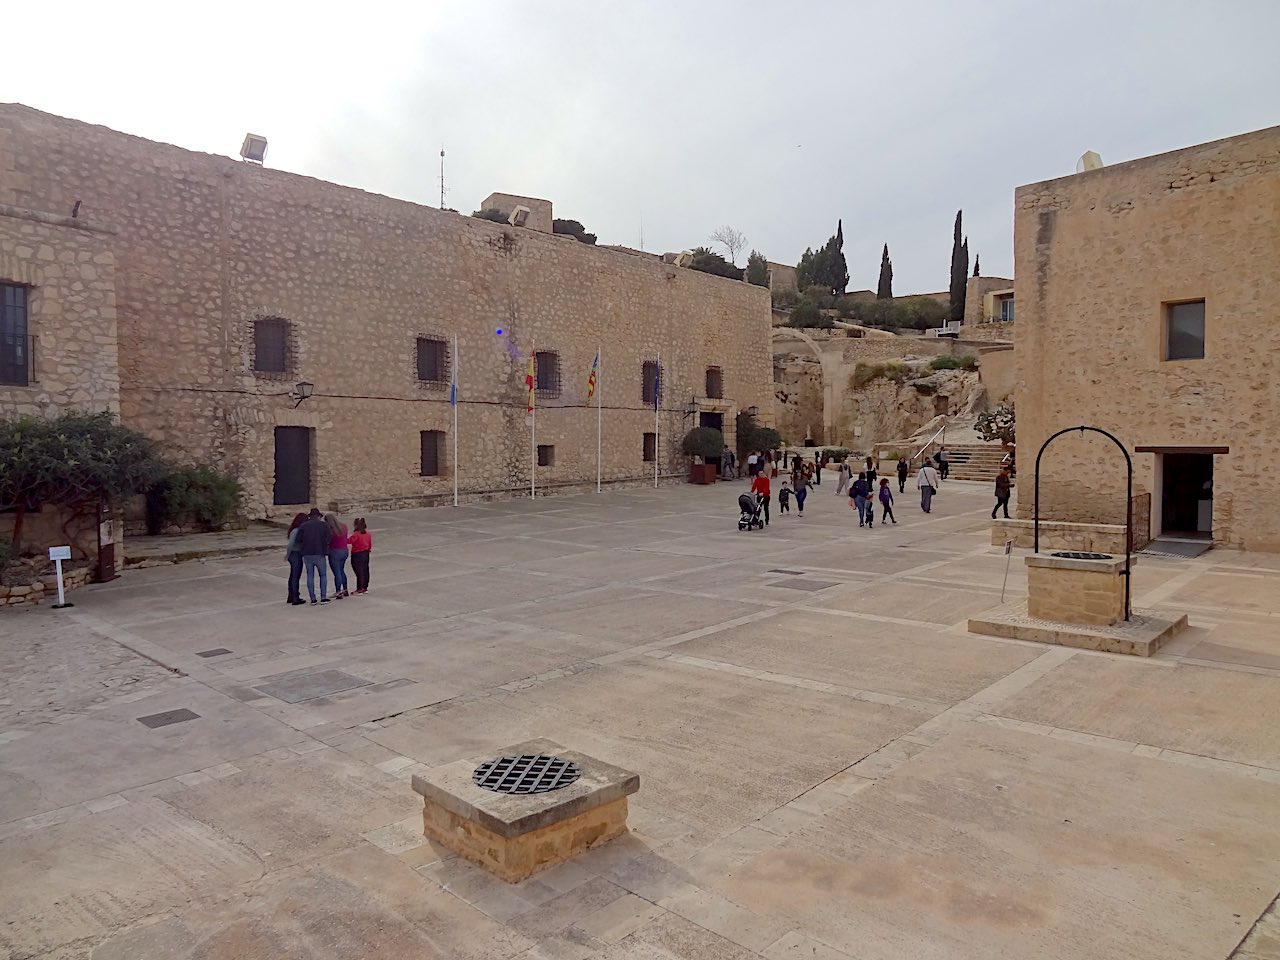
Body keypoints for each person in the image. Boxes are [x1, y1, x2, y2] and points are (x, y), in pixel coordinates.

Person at [297, 508, 332, 604]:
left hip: (307, 553)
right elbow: (329, 538)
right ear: (319, 516)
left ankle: (313, 598)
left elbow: (299, 539)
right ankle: (323, 597)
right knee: (323, 575)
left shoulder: (303, 526)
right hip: (320, 553)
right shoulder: (324, 525)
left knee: (310, 576)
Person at [325, 512, 350, 599]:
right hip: (344, 550)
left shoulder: (330, 530)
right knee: (341, 570)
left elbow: (327, 541)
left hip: (335, 552)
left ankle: (338, 591)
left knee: (337, 572)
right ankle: (345, 589)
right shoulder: (343, 526)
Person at [284, 512, 307, 606]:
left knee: (293, 575)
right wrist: (287, 554)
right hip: (295, 554)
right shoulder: (296, 531)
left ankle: (291, 595)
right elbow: (290, 544)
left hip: (295, 554)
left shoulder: (296, 530)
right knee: (296, 576)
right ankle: (295, 597)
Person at [349, 517, 372, 594]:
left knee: (358, 571)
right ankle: (365, 587)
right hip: (365, 553)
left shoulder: (356, 534)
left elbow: (350, 541)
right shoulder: (368, 534)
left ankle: (359, 588)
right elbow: (369, 544)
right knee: (365, 570)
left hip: (357, 554)